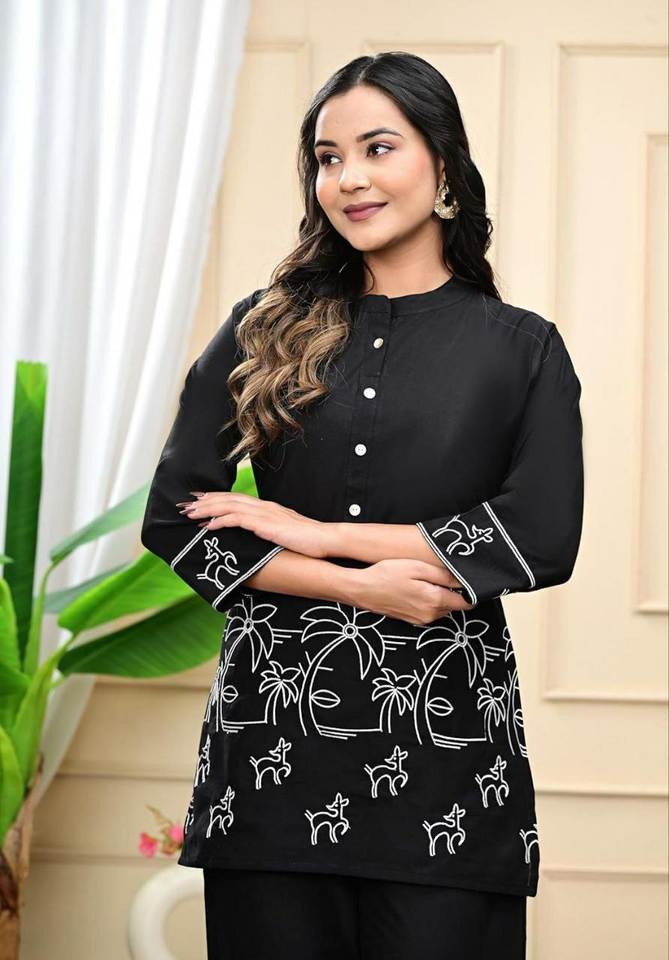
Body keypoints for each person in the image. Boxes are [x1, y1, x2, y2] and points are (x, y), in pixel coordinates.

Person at [141, 51, 584, 960]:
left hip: (447, 762)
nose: (347, 178)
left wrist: (315, 533)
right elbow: (174, 518)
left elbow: (539, 536)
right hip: (270, 751)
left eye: (377, 148)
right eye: (326, 157)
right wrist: (351, 584)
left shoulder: (520, 349)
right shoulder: (264, 326)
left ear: (442, 163)